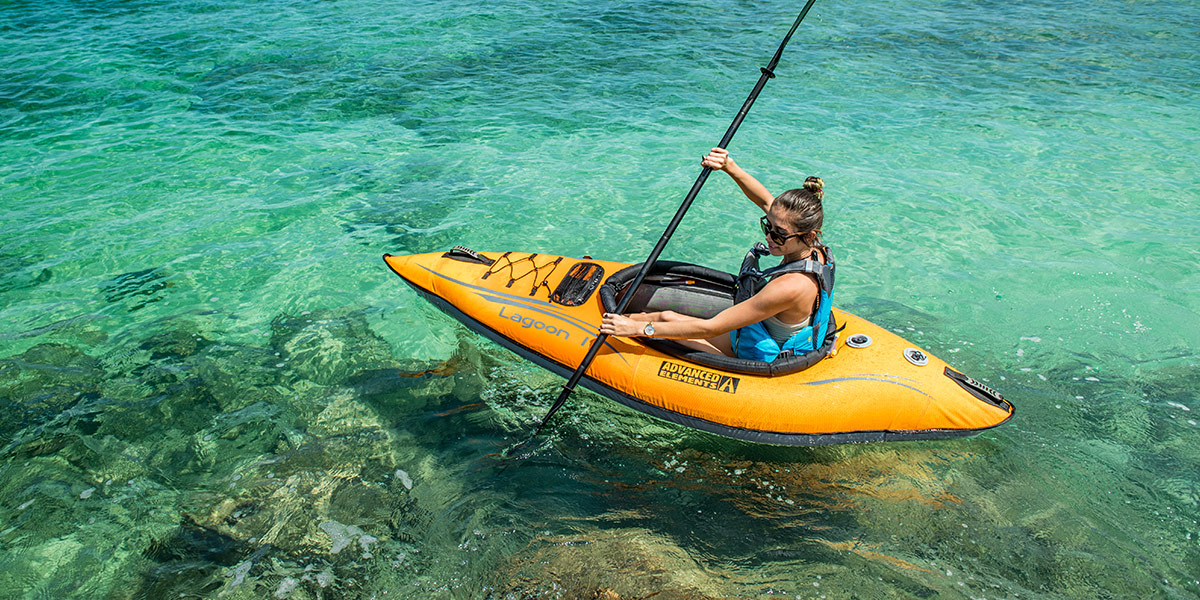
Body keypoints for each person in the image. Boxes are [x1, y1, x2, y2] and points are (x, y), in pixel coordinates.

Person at [599, 147, 832, 360]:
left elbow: (712, 327)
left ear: (809, 235)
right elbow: (764, 200)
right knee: (665, 317)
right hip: (764, 330)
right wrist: (729, 166)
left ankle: (611, 325)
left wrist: (639, 329)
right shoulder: (812, 249)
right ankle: (615, 321)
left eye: (779, 234)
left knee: (664, 320)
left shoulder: (791, 286)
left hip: (758, 351)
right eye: (766, 226)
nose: (768, 237)